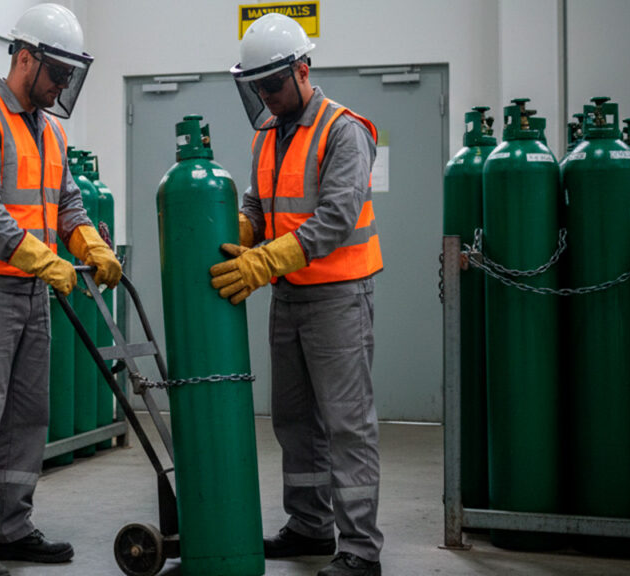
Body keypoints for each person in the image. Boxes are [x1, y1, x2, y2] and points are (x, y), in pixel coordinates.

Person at [0, 4, 122, 576]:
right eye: (57, 74)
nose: (63, 84)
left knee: (27, 415)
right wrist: (45, 259)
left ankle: (12, 528)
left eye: (70, 75)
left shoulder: (50, 131)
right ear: (25, 58)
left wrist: (90, 244)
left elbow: (66, 203)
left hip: (33, 292)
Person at [210, 13, 384, 576]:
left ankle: (360, 548)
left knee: (346, 423)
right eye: (256, 87)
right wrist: (241, 234)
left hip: (337, 296)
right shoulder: (267, 135)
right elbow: (258, 207)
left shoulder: (343, 130)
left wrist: (264, 260)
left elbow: (335, 218)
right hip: (288, 297)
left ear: (302, 70)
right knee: (293, 419)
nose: (265, 96)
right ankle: (310, 525)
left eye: (273, 85)